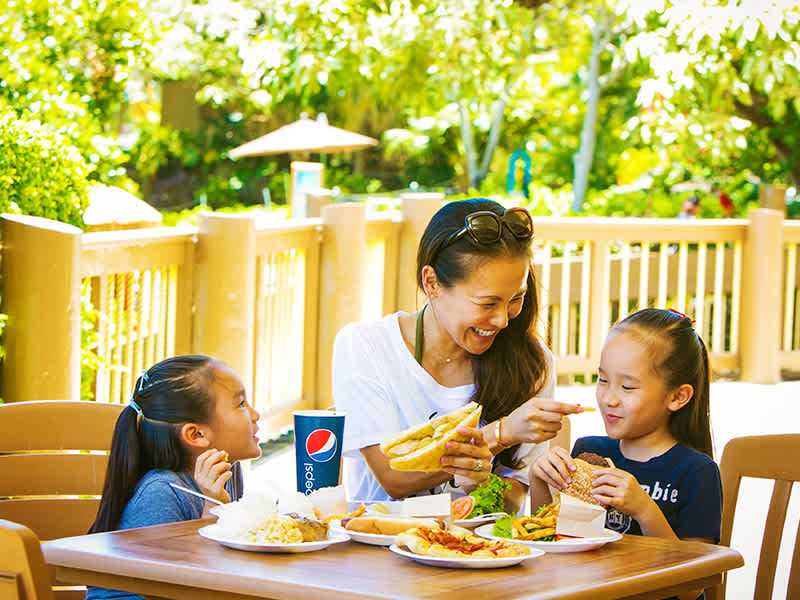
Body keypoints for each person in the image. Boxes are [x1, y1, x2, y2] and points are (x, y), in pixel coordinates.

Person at [332, 198, 584, 513]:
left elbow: (511, 505)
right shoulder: (366, 346)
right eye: (488, 303)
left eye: (515, 299)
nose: (503, 320)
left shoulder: (531, 363)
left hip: (478, 543)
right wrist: (501, 434)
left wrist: (480, 483)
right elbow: (392, 477)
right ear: (432, 283)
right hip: (379, 541)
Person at [530, 308, 720, 600]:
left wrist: (644, 510)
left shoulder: (697, 472)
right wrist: (539, 480)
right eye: (603, 380)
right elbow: (553, 542)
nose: (609, 398)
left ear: (677, 396)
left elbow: (693, 586)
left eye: (627, 387)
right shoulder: (589, 452)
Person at [87, 355, 261, 600]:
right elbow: (172, 589)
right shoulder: (160, 493)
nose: (255, 414)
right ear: (196, 434)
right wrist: (212, 511)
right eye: (241, 404)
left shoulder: (225, 474)